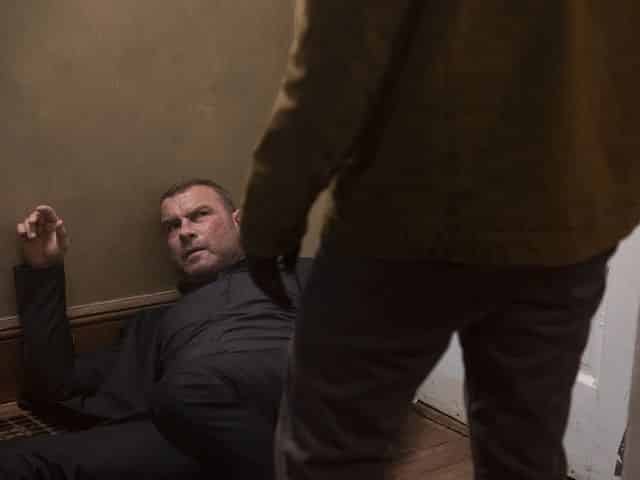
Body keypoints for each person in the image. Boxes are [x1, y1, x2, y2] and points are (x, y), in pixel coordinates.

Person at [239, 2, 640, 480]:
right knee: (525, 450)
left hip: (409, 220)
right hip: (571, 217)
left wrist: (270, 216)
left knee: (330, 453)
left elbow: (334, 62)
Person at [1, 179, 311, 480]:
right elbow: (54, 387)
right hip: (186, 428)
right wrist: (44, 271)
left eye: (199, 215)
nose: (185, 232)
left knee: (191, 387)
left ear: (239, 222)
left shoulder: (296, 273)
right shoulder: (154, 324)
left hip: (288, 403)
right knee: (17, 461)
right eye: (172, 226)